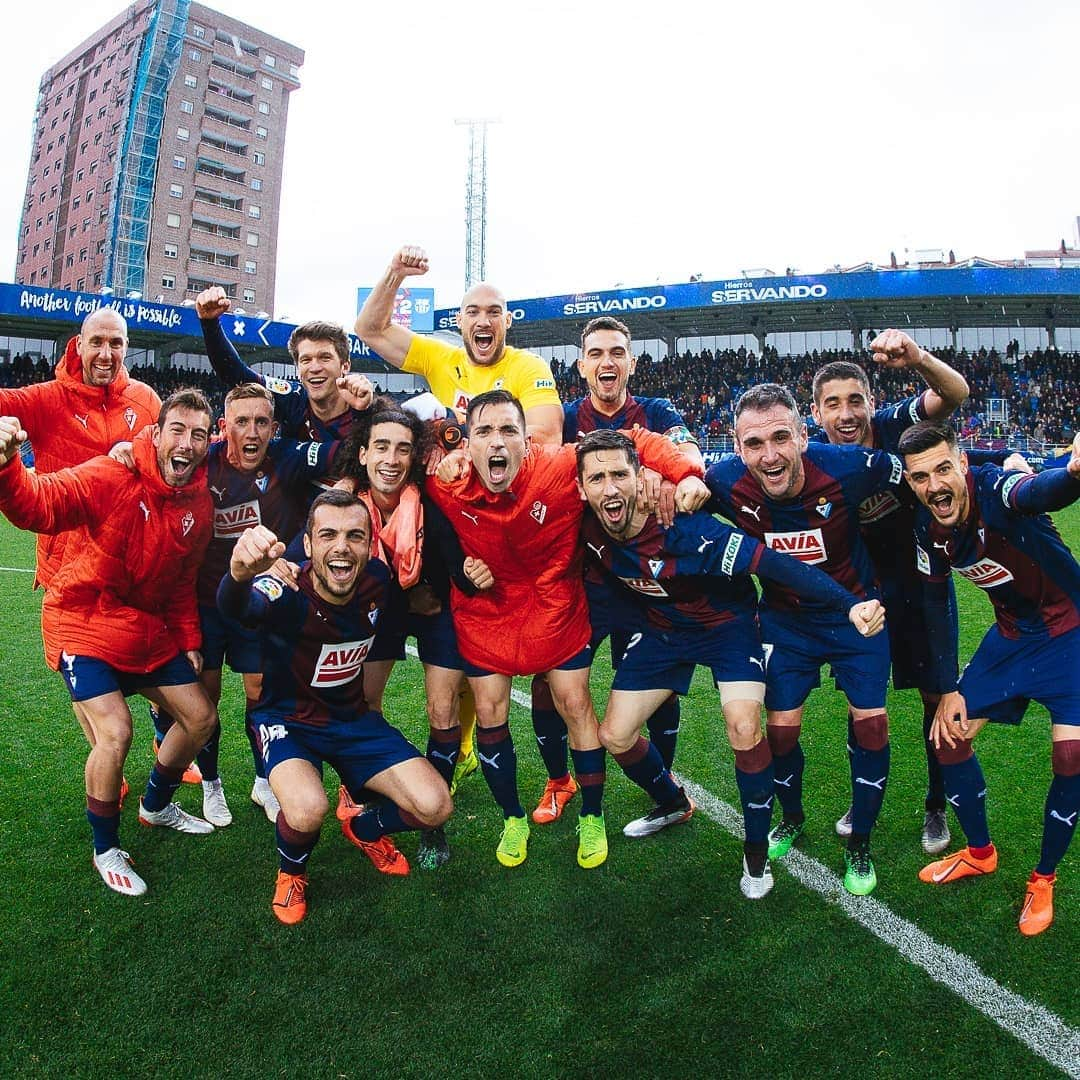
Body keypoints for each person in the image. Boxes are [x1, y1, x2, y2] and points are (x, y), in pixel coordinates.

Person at [576, 430, 885, 897]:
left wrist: (848, 604)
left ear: (641, 479)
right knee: (614, 735)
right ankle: (673, 803)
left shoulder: (691, 528)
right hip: (665, 633)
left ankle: (756, 854)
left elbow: (777, 567)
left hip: (728, 630)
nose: (610, 488)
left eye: (620, 474)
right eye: (596, 478)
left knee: (744, 726)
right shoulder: (586, 526)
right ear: (580, 489)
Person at [429, 389, 706, 870]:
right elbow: (401, 467)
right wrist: (439, 450)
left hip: (557, 605)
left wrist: (685, 472)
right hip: (487, 613)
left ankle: (592, 815)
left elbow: (633, 440)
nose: (497, 442)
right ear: (468, 443)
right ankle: (512, 817)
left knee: (576, 703)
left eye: (508, 431)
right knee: (491, 709)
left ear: (527, 439)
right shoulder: (446, 483)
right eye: (484, 432)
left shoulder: (560, 465)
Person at [355, 245, 564, 787]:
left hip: (511, 522)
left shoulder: (528, 367)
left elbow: (544, 435)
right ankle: (462, 745)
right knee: (461, 639)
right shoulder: (440, 358)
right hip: (453, 521)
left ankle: (550, 772)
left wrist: (463, 448)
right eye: (473, 312)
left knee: (517, 653)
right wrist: (395, 273)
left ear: (507, 322)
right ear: (461, 322)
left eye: (493, 311)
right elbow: (370, 329)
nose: (483, 320)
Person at [0, 389, 220, 897]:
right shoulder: (111, 474)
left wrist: (187, 636)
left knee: (203, 718)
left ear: (209, 443)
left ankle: (156, 803)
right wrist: (8, 466)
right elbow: (39, 503)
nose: (186, 443)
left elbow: (182, 581)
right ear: (157, 433)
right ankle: (105, 848)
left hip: (145, 628)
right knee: (115, 734)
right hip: (83, 618)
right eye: (177, 430)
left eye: (198, 434)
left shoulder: (201, 505)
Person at [705, 383, 905, 895]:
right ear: (736, 447)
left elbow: (924, 470)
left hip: (857, 616)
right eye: (753, 444)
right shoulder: (725, 481)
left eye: (780, 438)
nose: (769, 456)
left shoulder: (850, 467)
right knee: (780, 734)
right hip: (785, 624)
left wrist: (1010, 463)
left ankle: (859, 842)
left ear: (802, 435)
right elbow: (670, 475)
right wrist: (678, 481)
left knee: (872, 728)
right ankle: (790, 817)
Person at [217, 491, 452, 925]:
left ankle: (363, 829)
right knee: (307, 809)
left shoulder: (378, 582)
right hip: (287, 720)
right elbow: (238, 608)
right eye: (328, 535)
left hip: (352, 719)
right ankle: (292, 873)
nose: (341, 546)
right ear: (307, 545)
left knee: (436, 806)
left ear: (369, 543)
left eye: (354, 536)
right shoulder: (284, 587)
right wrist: (236, 575)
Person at [900, 421, 1080, 936]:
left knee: (1070, 758)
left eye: (942, 469)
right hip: (1011, 637)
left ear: (961, 464)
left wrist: (1072, 471)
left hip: (1071, 634)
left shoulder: (994, 489)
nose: (934, 485)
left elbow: (1036, 490)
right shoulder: (925, 526)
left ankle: (1043, 877)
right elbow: (935, 602)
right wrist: (947, 687)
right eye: (919, 477)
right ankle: (980, 853)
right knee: (947, 733)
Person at [529, 316, 704, 826]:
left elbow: (688, 449)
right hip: (580, 581)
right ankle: (558, 781)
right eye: (597, 354)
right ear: (582, 366)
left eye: (617, 352)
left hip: (643, 580)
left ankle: (663, 782)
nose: (608, 362)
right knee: (550, 683)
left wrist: (669, 470)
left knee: (658, 687)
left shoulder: (655, 411)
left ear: (631, 361)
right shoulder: (562, 418)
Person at [809, 331, 969, 854]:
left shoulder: (896, 425)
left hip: (923, 592)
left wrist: (918, 359)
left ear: (872, 403)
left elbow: (954, 394)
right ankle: (864, 798)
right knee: (863, 709)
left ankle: (935, 805)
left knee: (936, 704)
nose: (846, 413)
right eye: (833, 403)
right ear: (816, 413)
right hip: (862, 602)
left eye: (856, 400)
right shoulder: (814, 462)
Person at [154, 383, 342, 826]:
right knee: (206, 697)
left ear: (274, 427)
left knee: (260, 691)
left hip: (258, 603)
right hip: (206, 602)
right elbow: (156, 456)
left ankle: (262, 780)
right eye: (241, 421)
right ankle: (213, 784)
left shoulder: (288, 459)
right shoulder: (205, 462)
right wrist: (129, 447)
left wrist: (290, 559)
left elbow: (344, 454)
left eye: (261, 421)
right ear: (225, 426)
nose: (252, 431)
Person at [0, 309, 162, 762]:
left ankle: (166, 741)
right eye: (97, 343)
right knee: (83, 667)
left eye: (116, 343)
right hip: (67, 560)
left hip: (131, 554)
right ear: (78, 344)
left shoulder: (145, 399)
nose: (106, 353)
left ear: (126, 347)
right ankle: (105, 760)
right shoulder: (48, 398)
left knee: (153, 644)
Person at [332, 403, 478, 870]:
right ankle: (363, 792)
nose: (391, 459)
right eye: (381, 447)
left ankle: (430, 821)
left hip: (436, 607)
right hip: (384, 610)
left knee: (442, 709)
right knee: (364, 705)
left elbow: (457, 569)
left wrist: (475, 574)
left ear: (415, 456)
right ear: (362, 454)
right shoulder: (343, 509)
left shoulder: (429, 507)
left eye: (402, 449)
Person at [196, 287, 373, 444]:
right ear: (297, 368)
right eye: (306, 360)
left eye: (325, 358)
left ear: (345, 365)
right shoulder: (293, 399)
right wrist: (210, 324)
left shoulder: (367, 412)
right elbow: (236, 375)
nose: (315, 367)